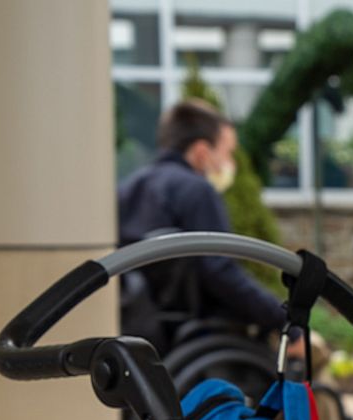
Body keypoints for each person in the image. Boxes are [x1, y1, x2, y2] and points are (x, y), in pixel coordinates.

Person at [117, 99, 290, 349]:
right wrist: (282, 318)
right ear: (201, 152)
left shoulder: (128, 189)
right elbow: (220, 271)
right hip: (196, 333)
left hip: (141, 326)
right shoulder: (197, 190)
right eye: (227, 153)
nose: (230, 164)